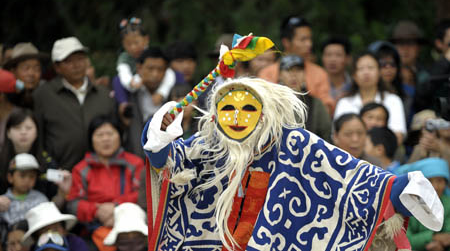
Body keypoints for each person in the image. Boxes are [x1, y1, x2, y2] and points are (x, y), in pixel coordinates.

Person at [142, 77, 443, 251]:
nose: (236, 117)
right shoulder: (209, 143)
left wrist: (395, 187)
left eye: (248, 108)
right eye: (227, 108)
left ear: (267, 111)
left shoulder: (295, 142)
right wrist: (158, 139)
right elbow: (172, 166)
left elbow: (346, 174)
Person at [33, 36, 116, 171]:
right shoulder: (44, 95)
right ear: (57, 67)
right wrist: (46, 167)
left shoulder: (103, 94)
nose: (76, 65)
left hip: (103, 174)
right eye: (68, 61)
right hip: (60, 173)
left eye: (80, 59)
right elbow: (38, 138)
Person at [66, 115, 143, 250]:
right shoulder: (81, 169)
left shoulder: (135, 163)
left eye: (110, 133)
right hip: (96, 228)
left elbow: (143, 195)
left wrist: (116, 208)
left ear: (120, 136)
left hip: (132, 228)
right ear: (91, 139)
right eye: (99, 135)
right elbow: (74, 204)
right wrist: (97, 211)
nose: (105, 139)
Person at [258, 15, 335, 114]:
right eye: (303, 40)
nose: (309, 44)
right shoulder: (267, 73)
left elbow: (326, 109)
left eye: (309, 39)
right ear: (286, 42)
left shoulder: (319, 73)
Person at [0, 109, 71, 206]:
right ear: (8, 132)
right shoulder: (1, 160)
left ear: (37, 132)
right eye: (17, 128)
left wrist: (62, 193)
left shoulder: (48, 162)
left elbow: (54, 207)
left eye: (28, 128)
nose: (23, 132)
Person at [334, 52, 407, 144]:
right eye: (361, 68)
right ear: (354, 76)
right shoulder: (344, 103)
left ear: (379, 73)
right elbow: (336, 136)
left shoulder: (393, 100)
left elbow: (398, 136)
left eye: (370, 68)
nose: (366, 72)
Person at [114, 17, 176, 121]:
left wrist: (162, 92)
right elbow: (123, 72)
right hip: (135, 82)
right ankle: (124, 105)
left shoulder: (153, 55)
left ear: (146, 40)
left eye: (136, 43)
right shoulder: (124, 58)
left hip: (155, 90)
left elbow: (168, 73)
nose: (133, 47)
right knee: (116, 80)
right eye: (129, 44)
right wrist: (131, 82)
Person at [124, 47, 170, 157]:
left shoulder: (172, 94)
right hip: (134, 160)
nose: (155, 74)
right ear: (139, 68)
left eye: (160, 69)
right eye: (150, 68)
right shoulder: (127, 94)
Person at [396, 158, 450, 251]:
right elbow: (404, 240)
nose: (435, 187)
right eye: (429, 181)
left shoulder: (447, 204)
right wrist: (433, 237)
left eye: (440, 181)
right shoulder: (406, 205)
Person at [278, 54, 332, 142]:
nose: (293, 75)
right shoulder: (272, 102)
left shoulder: (315, 103)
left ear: (304, 75)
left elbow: (326, 135)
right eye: (288, 70)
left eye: (298, 71)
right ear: (280, 75)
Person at [0, 154, 48, 228]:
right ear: (10, 177)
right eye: (22, 175)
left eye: (32, 176)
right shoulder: (2, 201)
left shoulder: (41, 199)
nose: (27, 180)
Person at [22, 202, 88, 251]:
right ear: (36, 237)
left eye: (55, 228)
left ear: (64, 230)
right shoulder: (34, 249)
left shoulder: (76, 243)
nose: (51, 233)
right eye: (45, 230)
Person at [3, 43, 48, 109]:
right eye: (25, 68)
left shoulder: (47, 92)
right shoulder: (5, 97)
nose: (31, 73)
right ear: (13, 72)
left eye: (36, 68)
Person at [390, 20, 429, 86]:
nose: (405, 48)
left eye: (410, 43)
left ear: (419, 47)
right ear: (394, 47)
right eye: (400, 43)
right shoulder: (384, 74)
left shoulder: (428, 74)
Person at [321, 36, 352, 101]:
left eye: (338, 55)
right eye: (328, 55)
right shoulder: (315, 85)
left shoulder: (355, 85)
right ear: (322, 58)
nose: (333, 59)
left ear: (348, 59)